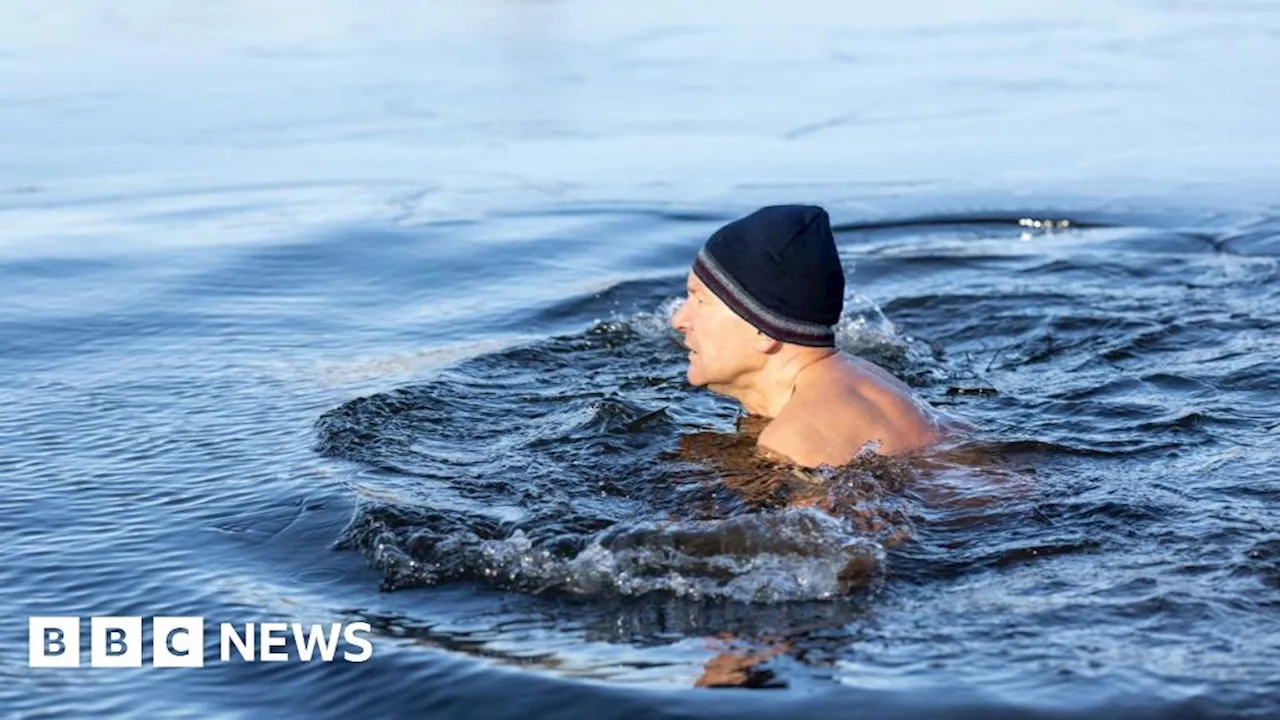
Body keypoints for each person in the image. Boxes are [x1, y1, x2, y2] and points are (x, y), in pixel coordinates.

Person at [670, 205, 941, 468]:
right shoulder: (870, 382)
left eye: (701, 301)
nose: (679, 320)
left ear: (763, 328)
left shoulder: (795, 441)